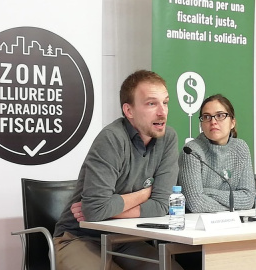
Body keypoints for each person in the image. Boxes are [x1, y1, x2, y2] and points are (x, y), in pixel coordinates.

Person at [53, 70, 182, 270]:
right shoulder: (111, 138)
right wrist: (146, 193)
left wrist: (105, 210)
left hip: (125, 239)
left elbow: (162, 206)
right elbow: (95, 210)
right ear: (129, 111)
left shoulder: (169, 138)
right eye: (151, 103)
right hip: (79, 237)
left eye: (165, 102)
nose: (162, 112)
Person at [178, 94, 256, 213]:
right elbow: (196, 204)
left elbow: (248, 199)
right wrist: (232, 208)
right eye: (207, 117)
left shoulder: (241, 148)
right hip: (198, 225)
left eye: (220, 116)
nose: (213, 122)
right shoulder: (191, 151)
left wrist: (207, 192)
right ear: (201, 124)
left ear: (232, 122)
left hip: (233, 223)